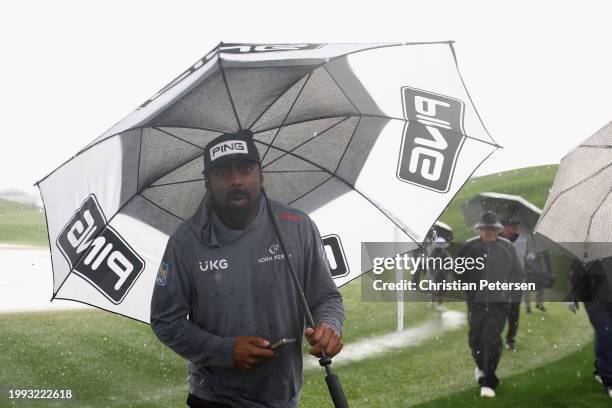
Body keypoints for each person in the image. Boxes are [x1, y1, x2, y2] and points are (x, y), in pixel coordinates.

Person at [150, 129, 345, 407]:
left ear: (260, 174)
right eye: (222, 173)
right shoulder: (185, 241)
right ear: (207, 183)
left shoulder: (297, 226)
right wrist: (226, 351)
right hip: (215, 399)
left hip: (284, 397)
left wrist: (329, 326)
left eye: (246, 169)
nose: (236, 180)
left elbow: (326, 297)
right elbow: (165, 320)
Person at [457, 211, 525, 398]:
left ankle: (489, 380)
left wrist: (507, 291)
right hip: (476, 304)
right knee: (475, 341)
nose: (489, 232)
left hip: (499, 304)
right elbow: (459, 272)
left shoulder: (507, 247)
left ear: (498, 229)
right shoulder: (469, 246)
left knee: (492, 340)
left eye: (493, 229)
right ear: (480, 229)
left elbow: (517, 273)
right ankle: (480, 367)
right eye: (485, 229)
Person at [567, 256, 612, 398]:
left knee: (604, 335)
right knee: (606, 336)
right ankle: (609, 380)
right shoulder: (587, 251)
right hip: (594, 300)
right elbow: (574, 273)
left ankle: (601, 370)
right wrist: (571, 296)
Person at [499, 215, 526, 351]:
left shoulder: (521, 240)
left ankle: (510, 339)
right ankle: (495, 338)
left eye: (516, 226)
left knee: (514, 312)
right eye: (512, 225)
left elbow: (523, 260)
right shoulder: (495, 240)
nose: (515, 228)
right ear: (504, 227)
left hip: (516, 281)